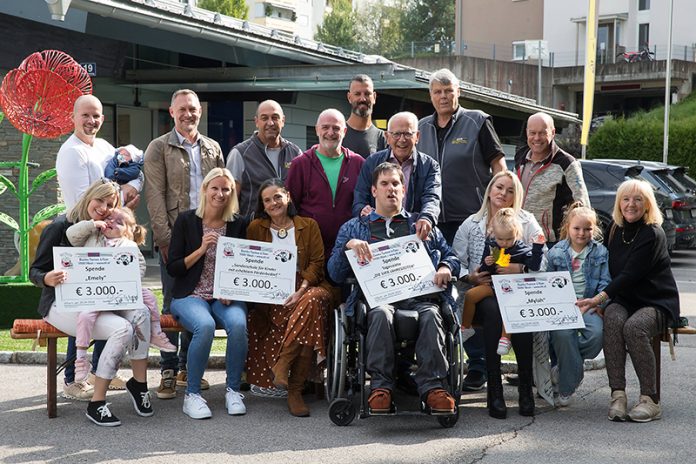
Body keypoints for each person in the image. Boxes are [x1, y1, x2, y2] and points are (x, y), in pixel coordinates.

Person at [328, 163, 461, 414]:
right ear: (374, 191)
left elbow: (452, 257)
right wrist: (350, 247)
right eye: (385, 184)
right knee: (379, 314)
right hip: (377, 300)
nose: (391, 189)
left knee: (432, 315)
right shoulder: (354, 228)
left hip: (419, 297)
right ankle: (381, 388)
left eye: (396, 184)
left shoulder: (421, 225)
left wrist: (445, 266)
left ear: (404, 189)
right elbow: (334, 274)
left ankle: (433, 388)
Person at [30, 180, 153, 426]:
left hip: (100, 300)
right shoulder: (59, 226)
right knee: (122, 329)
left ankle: (139, 384)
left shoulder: (104, 228)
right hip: (60, 305)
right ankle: (96, 403)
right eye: (100, 201)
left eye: (111, 204)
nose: (104, 208)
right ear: (89, 196)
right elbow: (35, 272)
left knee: (141, 313)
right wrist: (47, 278)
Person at [416, 68, 507, 391]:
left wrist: (502, 207)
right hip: (431, 223)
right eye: (437, 92)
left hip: (471, 221)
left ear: (459, 92)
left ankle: (479, 364)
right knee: (434, 291)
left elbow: (499, 166)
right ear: (431, 96)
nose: (443, 96)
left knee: (474, 288)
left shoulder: (477, 121)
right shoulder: (421, 128)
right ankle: (433, 359)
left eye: (448, 91)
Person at [55, 95, 141, 398]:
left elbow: (132, 179)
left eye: (97, 115)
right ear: (74, 117)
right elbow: (86, 202)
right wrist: (117, 200)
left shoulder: (105, 148)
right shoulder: (71, 152)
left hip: (109, 240)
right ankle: (71, 379)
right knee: (84, 304)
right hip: (84, 238)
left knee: (110, 301)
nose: (92, 121)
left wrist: (131, 188)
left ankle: (98, 371)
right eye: (86, 115)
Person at [144, 89, 225, 399]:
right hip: (174, 239)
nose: (188, 114)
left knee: (199, 300)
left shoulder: (212, 147)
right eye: (182, 109)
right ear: (171, 111)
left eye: (193, 109)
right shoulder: (158, 148)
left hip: (206, 236)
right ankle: (166, 370)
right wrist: (165, 240)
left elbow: (221, 190)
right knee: (169, 304)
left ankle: (187, 369)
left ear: (200, 112)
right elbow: (154, 196)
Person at [578, 179, 680, 423]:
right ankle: (618, 395)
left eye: (638, 199)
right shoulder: (615, 228)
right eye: (625, 199)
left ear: (647, 205)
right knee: (613, 319)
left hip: (655, 301)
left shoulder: (652, 233)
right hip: (625, 299)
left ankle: (650, 399)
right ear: (618, 203)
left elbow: (630, 274)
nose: (631, 204)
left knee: (634, 328)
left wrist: (599, 298)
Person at [452, 170, 545, 419]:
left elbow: (542, 261)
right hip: (485, 292)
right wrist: (470, 276)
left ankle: (525, 387)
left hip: (519, 291)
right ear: (490, 190)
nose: (503, 194)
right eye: (499, 187)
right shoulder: (472, 223)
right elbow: (455, 260)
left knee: (520, 315)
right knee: (493, 310)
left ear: (518, 194)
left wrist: (520, 267)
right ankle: (495, 389)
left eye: (510, 189)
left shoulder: (526, 221)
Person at [166, 168, 249, 419]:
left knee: (237, 323)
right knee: (204, 325)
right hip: (190, 294)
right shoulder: (187, 220)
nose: (220, 194)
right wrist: (201, 249)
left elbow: (245, 264)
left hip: (225, 295)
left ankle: (233, 390)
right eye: (215, 188)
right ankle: (192, 395)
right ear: (204, 189)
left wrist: (232, 290)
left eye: (226, 189)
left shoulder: (239, 224)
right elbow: (174, 267)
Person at [246, 179, 333, 417]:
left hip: (309, 286)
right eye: (267, 200)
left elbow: (317, 263)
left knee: (313, 301)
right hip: (273, 292)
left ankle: (284, 366)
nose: (273, 203)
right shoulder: (255, 228)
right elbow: (249, 265)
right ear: (262, 206)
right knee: (308, 318)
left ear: (288, 197)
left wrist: (301, 288)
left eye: (277, 197)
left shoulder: (308, 225)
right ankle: (294, 389)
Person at [65, 206, 176, 382]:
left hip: (120, 294)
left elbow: (139, 268)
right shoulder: (94, 238)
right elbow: (72, 234)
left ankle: (155, 332)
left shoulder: (129, 246)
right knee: (85, 316)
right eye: (109, 219)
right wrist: (93, 224)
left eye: (119, 222)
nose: (112, 223)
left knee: (150, 297)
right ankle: (81, 358)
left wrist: (127, 282)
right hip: (95, 293)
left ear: (128, 231)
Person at [546, 202, 608, 407]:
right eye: (577, 228)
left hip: (589, 305)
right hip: (564, 306)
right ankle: (566, 387)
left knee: (597, 335)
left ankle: (566, 366)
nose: (582, 233)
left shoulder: (600, 252)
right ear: (567, 228)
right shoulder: (556, 252)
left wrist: (599, 302)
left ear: (594, 229)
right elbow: (548, 282)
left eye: (588, 229)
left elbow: (605, 282)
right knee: (562, 334)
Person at [460, 208, 545, 355]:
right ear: (493, 233)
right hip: (493, 286)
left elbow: (534, 266)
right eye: (500, 239)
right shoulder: (492, 246)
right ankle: (466, 328)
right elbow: (485, 270)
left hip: (514, 290)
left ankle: (505, 339)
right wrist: (487, 263)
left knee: (509, 307)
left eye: (509, 239)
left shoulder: (522, 250)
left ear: (517, 234)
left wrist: (537, 248)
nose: (504, 243)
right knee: (470, 295)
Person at [285, 109, 365, 261]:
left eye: (336, 128)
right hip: (311, 249)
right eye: (325, 127)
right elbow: (291, 207)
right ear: (316, 130)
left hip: (348, 249)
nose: (330, 132)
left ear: (345, 131)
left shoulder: (358, 163)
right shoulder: (300, 164)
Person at [352, 111, 441, 241]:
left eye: (408, 133)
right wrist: (362, 209)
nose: (402, 139)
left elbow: (432, 198)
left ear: (417, 136)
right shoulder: (372, 162)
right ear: (387, 136)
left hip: (414, 233)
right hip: (377, 233)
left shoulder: (430, 166)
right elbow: (360, 197)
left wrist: (426, 217)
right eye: (396, 134)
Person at [514, 112, 590, 244]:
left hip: (549, 243)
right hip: (517, 237)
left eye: (542, 133)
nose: (537, 138)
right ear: (527, 133)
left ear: (553, 132)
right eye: (532, 133)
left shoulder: (567, 163)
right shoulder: (520, 157)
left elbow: (583, 205)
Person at [226, 100, 302, 217]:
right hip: (253, 230)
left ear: (283, 121)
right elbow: (230, 201)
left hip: (288, 229)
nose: (270, 123)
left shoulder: (295, 152)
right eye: (264, 118)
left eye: (275, 117)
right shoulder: (240, 154)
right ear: (256, 121)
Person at [342, 74, 387, 158]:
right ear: (349, 97)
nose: (363, 99)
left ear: (374, 97)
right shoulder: (338, 134)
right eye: (357, 94)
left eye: (367, 94)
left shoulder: (382, 139)